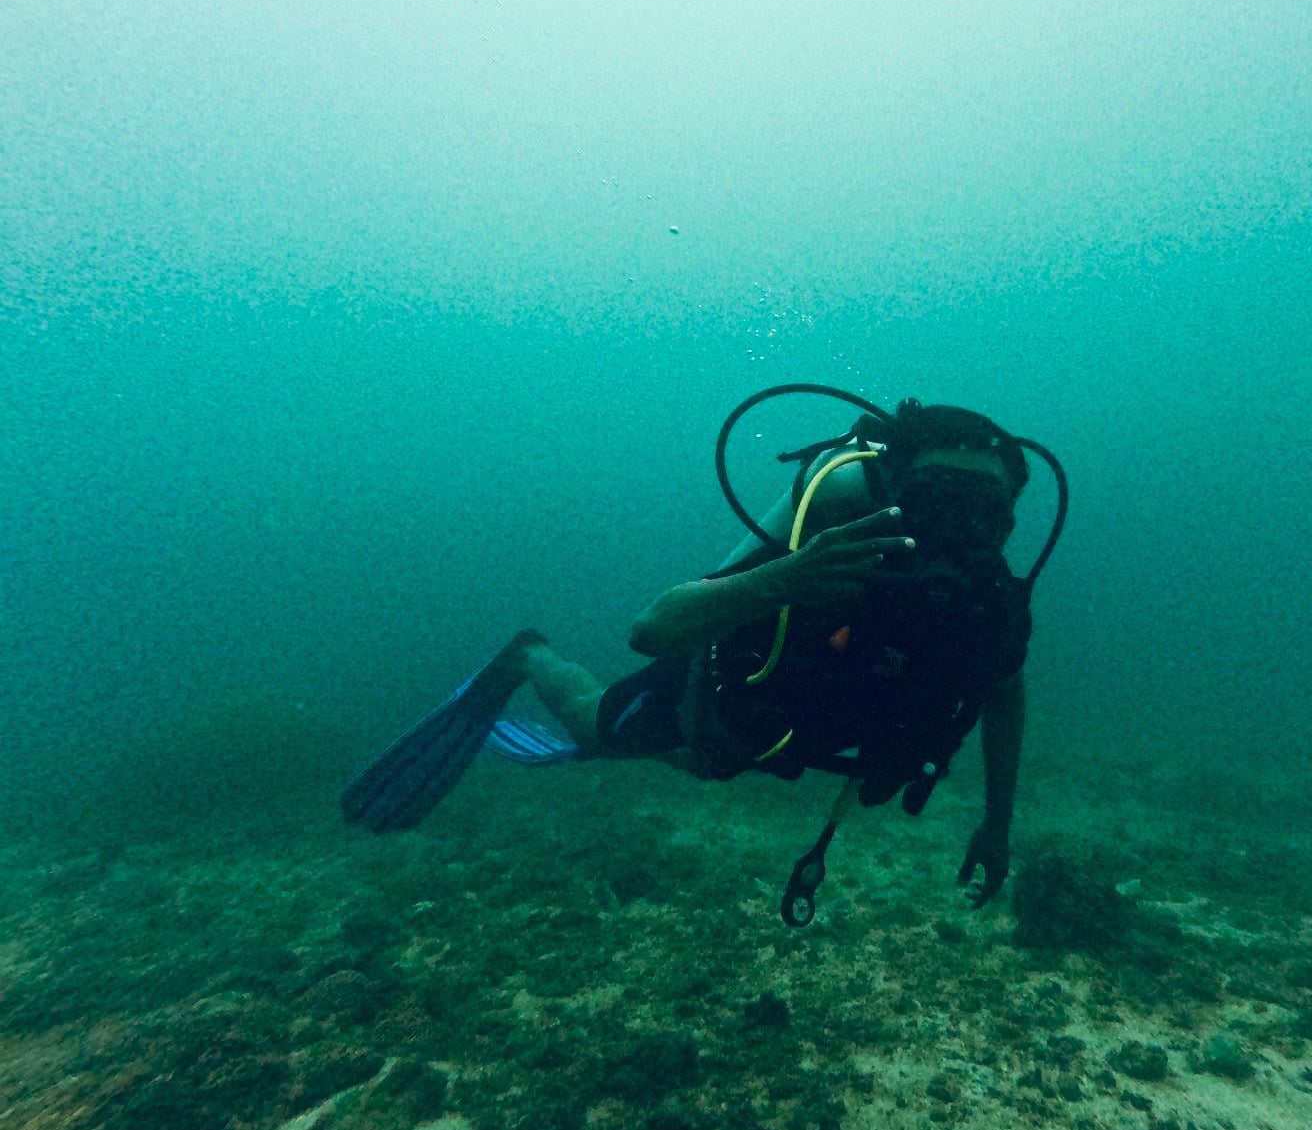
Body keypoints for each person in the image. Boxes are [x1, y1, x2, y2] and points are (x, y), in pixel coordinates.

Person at [342, 388, 1067, 925]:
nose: (961, 527)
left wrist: (997, 824)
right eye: (942, 498)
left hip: (811, 725)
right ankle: (529, 658)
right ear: (900, 487)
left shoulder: (987, 599)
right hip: (724, 696)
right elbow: (653, 627)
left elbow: (1005, 691)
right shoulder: (833, 527)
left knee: (708, 763)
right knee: (600, 732)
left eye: (986, 511)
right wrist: (785, 576)